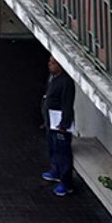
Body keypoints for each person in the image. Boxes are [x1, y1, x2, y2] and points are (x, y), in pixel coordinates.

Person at [42, 55, 76, 195]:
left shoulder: (66, 82)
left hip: (59, 123)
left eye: (53, 63)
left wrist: (64, 124)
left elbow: (67, 104)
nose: (49, 64)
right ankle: (55, 171)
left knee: (63, 153)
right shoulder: (53, 78)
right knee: (53, 148)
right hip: (50, 121)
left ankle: (66, 183)